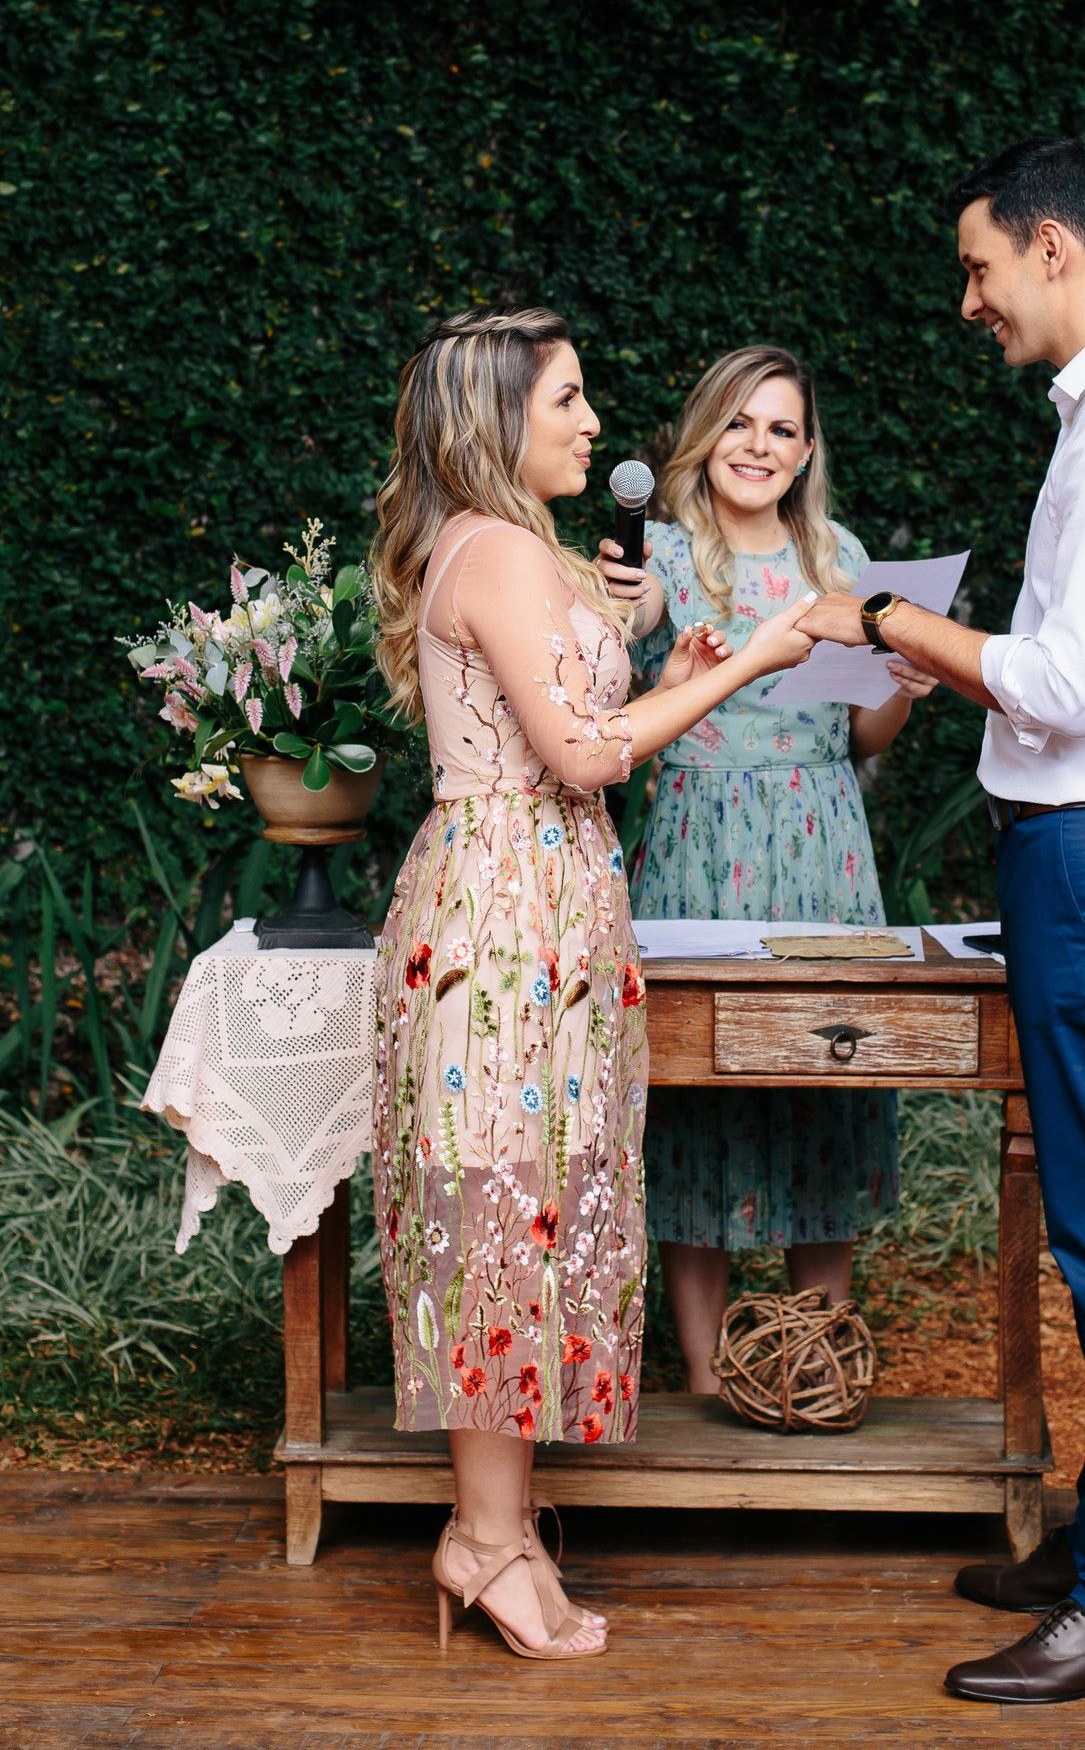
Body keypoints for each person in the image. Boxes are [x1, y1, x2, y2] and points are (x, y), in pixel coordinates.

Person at [795, 139, 1085, 1707]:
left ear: (1055, 248)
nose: (968, 300)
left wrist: (876, 621)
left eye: (980, 266)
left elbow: (1062, 688)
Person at [368, 306, 815, 1662]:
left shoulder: (527, 551)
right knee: (499, 1214)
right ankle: (484, 1541)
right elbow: (580, 754)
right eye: (565, 400)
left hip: (547, 909)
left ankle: (498, 1532)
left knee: (533, 1209)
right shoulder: (494, 549)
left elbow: (579, 712)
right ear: (494, 418)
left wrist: (665, 662)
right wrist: (742, 663)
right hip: (503, 918)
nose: (590, 422)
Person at [596, 345, 936, 1390]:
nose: (758, 444)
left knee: (825, 1088)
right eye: (739, 423)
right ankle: (704, 1376)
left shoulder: (839, 556)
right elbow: (624, 650)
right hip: (696, 844)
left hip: (822, 848)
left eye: (780, 428)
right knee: (697, 1101)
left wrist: (903, 684)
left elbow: (862, 737)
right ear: (706, 434)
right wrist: (628, 608)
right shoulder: (654, 552)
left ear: (804, 450)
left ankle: (815, 1363)